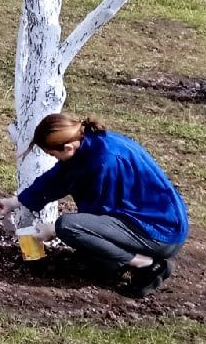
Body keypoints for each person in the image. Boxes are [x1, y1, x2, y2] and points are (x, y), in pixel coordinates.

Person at [14, 114, 188, 300]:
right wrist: (18, 201)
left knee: (67, 226)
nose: (56, 160)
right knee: (89, 254)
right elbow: (59, 178)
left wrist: (54, 230)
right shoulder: (89, 144)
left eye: (53, 155)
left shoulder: (104, 161)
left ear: (67, 148)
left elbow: (99, 212)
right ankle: (112, 263)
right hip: (152, 223)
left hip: (160, 232)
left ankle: (147, 264)